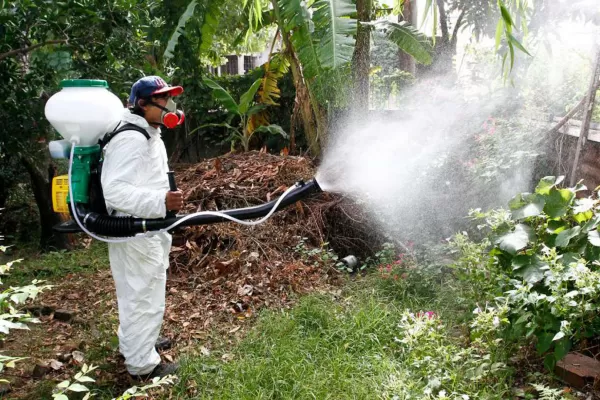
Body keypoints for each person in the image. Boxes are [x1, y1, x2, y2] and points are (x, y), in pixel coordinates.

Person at [101, 76, 184, 379]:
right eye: (162, 100)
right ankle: (142, 365)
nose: (168, 106)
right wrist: (160, 199)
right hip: (136, 231)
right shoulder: (132, 139)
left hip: (144, 229)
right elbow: (115, 191)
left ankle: (138, 343)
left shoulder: (147, 131)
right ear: (142, 104)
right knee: (144, 295)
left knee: (136, 292)